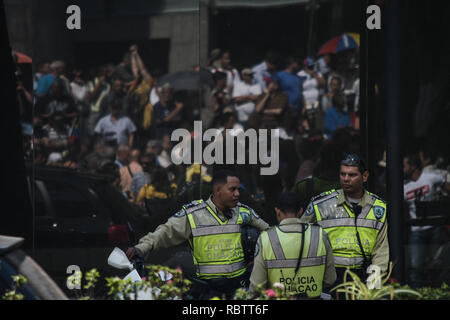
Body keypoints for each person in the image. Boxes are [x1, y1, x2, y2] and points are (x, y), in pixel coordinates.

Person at [126, 170, 270, 299]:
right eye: (232, 189)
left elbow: (270, 233)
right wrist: (141, 247)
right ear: (218, 190)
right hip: (204, 288)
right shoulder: (193, 213)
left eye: (238, 189)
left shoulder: (244, 212)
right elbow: (166, 231)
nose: (238, 194)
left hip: (239, 288)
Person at [300, 153, 389, 287]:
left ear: (365, 176)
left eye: (352, 175)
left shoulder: (378, 207)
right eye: (343, 174)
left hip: (362, 275)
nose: (346, 179)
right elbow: (300, 236)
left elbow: (381, 251)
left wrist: (373, 283)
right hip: (328, 276)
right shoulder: (321, 204)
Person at [249, 192, 336, 299]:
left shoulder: (266, 238)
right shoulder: (319, 234)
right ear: (300, 211)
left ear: (277, 211)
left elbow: (257, 285)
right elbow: (330, 279)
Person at [403, 153, 450, 288]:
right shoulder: (404, 187)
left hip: (435, 226)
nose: (402, 168)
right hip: (417, 230)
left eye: (404, 165)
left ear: (413, 166)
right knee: (416, 265)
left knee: (437, 264)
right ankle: (417, 292)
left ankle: (437, 290)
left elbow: (446, 186)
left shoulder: (430, 177)